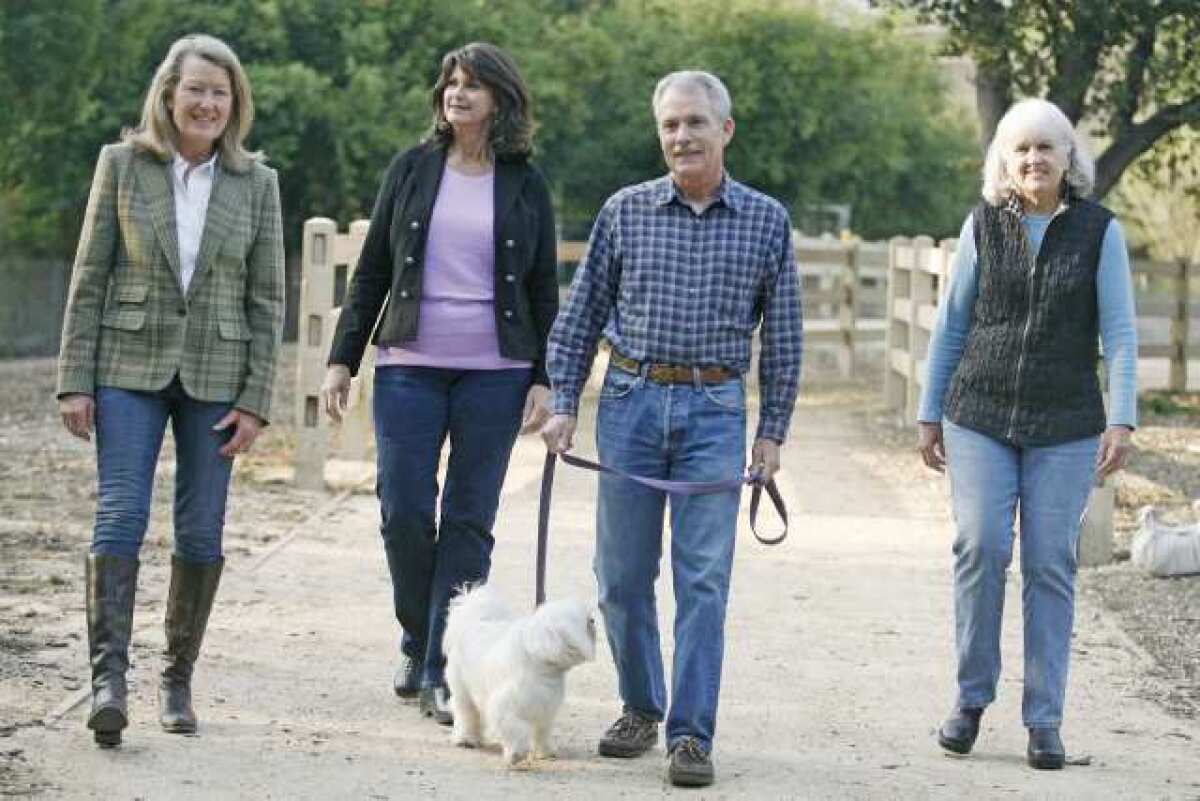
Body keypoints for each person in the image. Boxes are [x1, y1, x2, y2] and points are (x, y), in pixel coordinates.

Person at [541, 70, 802, 788]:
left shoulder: (766, 220)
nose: (681, 136)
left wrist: (771, 433)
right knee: (620, 577)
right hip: (629, 400)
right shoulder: (624, 211)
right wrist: (564, 400)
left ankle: (691, 732)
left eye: (694, 123)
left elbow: (783, 338)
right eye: (669, 126)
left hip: (715, 412)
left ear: (726, 130)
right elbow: (581, 314)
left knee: (704, 581)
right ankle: (639, 704)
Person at [56, 34, 284, 748]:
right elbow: (90, 274)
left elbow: (268, 297)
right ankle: (108, 682)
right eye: (196, 90)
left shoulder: (258, 182)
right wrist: (73, 379)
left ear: (234, 103)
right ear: (168, 95)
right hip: (128, 365)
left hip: (218, 375)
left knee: (202, 527)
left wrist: (256, 398)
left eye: (221, 92)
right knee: (121, 512)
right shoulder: (122, 165)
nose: (208, 103)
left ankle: (176, 678)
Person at [321, 42, 558, 726]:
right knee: (401, 509)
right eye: (452, 82)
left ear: (499, 101)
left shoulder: (525, 183)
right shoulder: (412, 169)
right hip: (408, 366)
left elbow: (543, 288)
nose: (458, 93)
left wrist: (545, 378)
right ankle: (423, 632)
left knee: (467, 519)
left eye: (474, 85)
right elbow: (370, 272)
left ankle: (437, 667)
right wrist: (344, 357)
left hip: (497, 372)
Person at [916, 98, 1137, 770]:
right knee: (980, 545)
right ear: (1005, 163)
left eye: (1047, 147)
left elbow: (1121, 333)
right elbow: (952, 325)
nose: (1035, 159)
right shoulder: (984, 225)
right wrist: (930, 412)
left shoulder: (1100, 231)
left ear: (1070, 156)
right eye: (1022, 150)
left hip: (1066, 420)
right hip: (979, 412)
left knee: (1049, 562)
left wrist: (1121, 415)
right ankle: (970, 697)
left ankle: (1045, 719)